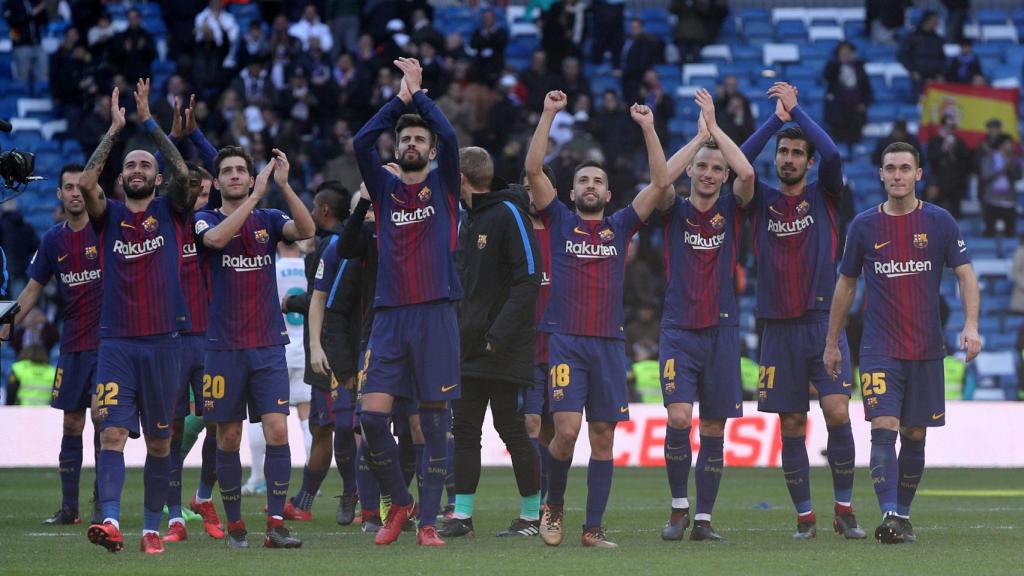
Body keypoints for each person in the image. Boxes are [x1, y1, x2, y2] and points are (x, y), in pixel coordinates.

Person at [527, 90, 671, 548]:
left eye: (597, 181)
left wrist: (648, 128)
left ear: (608, 194)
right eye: (582, 180)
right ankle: (553, 504)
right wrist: (548, 113)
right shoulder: (560, 220)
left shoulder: (623, 224)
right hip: (566, 341)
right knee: (566, 432)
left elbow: (662, 184)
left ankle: (592, 529)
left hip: (609, 343)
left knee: (604, 436)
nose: (589, 186)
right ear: (571, 192)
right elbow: (532, 169)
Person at [824, 141, 982, 544]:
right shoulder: (862, 226)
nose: (897, 174)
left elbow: (965, 273)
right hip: (879, 348)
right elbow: (846, 284)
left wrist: (971, 324)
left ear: (918, 175)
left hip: (927, 349)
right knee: (884, 426)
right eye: (890, 168)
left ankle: (903, 515)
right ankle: (890, 514)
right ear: (880, 174)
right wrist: (832, 342)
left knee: (915, 434)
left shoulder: (940, 222)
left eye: (904, 168)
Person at [739, 83, 866, 539]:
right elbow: (739, 159)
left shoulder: (824, 195)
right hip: (776, 326)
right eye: (783, 152)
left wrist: (796, 110)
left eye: (797, 153)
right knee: (791, 422)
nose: (788, 159)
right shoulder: (760, 199)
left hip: (820, 323)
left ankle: (845, 510)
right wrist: (774, 120)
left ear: (808, 163)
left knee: (836, 412)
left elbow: (833, 155)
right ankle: (805, 518)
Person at [78, 80, 196, 554]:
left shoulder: (172, 210)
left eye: (146, 164)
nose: (139, 169)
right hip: (117, 345)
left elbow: (186, 175)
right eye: (131, 165)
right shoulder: (106, 216)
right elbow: (86, 184)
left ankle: (151, 528)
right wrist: (115, 132)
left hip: (165, 344)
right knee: (111, 431)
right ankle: (109, 520)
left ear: (156, 177)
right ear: (121, 176)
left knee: (162, 445)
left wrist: (150, 125)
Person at [352, 57, 463, 547]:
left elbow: (454, 139)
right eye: (405, 139)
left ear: (432, 149)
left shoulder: (444, 185)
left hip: (436, 313)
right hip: (390, 318)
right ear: (395, 150)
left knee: (431, 422)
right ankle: (401, 500)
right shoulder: (384, 190)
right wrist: (398, 101)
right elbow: (359, 142)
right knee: (372, 418)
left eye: (420, 139)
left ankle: (429, 522)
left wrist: (420, 96)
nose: (412, 144)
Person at [193, 144, 314, 549]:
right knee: (228, 437)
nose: (234, 176)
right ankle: (235, 526)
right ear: (219, 180)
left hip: (266, 344)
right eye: (226, 171)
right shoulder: (203, 219)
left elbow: (308, 229)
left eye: (240, 170)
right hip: (223, 347)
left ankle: (276, 524)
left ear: (249, 176)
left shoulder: (269, 218)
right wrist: (259, 195)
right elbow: (215, 240)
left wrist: (284, 186)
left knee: (278, 429)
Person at [654, 89, 754, 542]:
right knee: (678, 418)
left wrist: (716, 131)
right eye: (703, 167)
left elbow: (748, 171)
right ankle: (678, 509)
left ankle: (705, 519)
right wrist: (697, 141)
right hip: (679, 330)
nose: (710, 174)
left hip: (722, 331)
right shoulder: (672, 209)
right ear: (692, 170)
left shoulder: (733, 209)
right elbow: (659, 182)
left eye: (717, 168)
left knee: (713, 425)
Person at [441, 147, 541, 539]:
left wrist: (498, 335)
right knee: (465, 431)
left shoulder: (509, 213)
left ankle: (531, 517)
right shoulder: (468, 218)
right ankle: (462, 516)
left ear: (461, 177)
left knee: (512, 429)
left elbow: (529, 278)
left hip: (503, 349)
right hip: (466, 349)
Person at [1, 164, 102, 525]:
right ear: (59, 194)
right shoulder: (52, 240)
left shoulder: (107, 233)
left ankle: (103, 504)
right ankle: (70, 507)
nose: (75, 192)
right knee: (72, 424)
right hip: (73, 344)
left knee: (104, 422)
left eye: (80, 186)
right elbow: (30, 292)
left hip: (110, 345)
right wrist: (5, 323)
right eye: (68, 187)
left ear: (90, 191)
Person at [303, 202, 362, 526]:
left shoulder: (395, 239)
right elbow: (318, 298)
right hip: (340, 347)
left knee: (394, 426)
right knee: (338, 426)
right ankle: (351, 491)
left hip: (382, 344)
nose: (365, 217)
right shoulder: (337, 248)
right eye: (359, 212)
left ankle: (429, 502)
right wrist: (315, 345)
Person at [520, 166, 557, 508]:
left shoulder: (564, 232)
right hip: (525, 349)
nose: (532, 194)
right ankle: (530, 506)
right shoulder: (514, 234)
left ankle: (545, 500)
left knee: (550, 429)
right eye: (526, 187)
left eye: (538, 187)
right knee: (530, 421)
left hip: (560, 348)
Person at [824, 41, 873, 152]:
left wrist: (864, 103)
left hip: (855, 109)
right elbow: (827, 77)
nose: (846, 54)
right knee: (838, 138)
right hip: (838, 110)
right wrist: (839, 63)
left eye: (848, 52)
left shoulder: (859, 67)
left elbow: (866, 88)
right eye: (843, 52)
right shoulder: (833, 65)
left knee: (855, 136)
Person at [898, 11, 946, 97]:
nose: (937, 23)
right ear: (927, 21)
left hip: (935, 79)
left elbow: (942, 58)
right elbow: (902, 56)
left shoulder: (938, 39)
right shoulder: (912, 37)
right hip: (918, 79)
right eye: (935, 20)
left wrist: (941, 74)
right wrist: (912, 71)